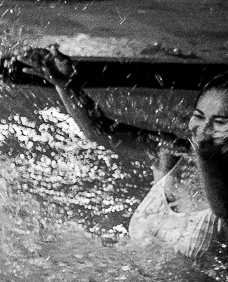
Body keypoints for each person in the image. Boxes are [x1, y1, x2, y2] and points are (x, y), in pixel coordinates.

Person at [17, 47, 228, 261]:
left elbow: (222, 209)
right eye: (198, 117)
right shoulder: (170, 155)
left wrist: (205, 156)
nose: (204, 129)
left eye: (220, 122)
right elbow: (100, 131)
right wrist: (67, 86)